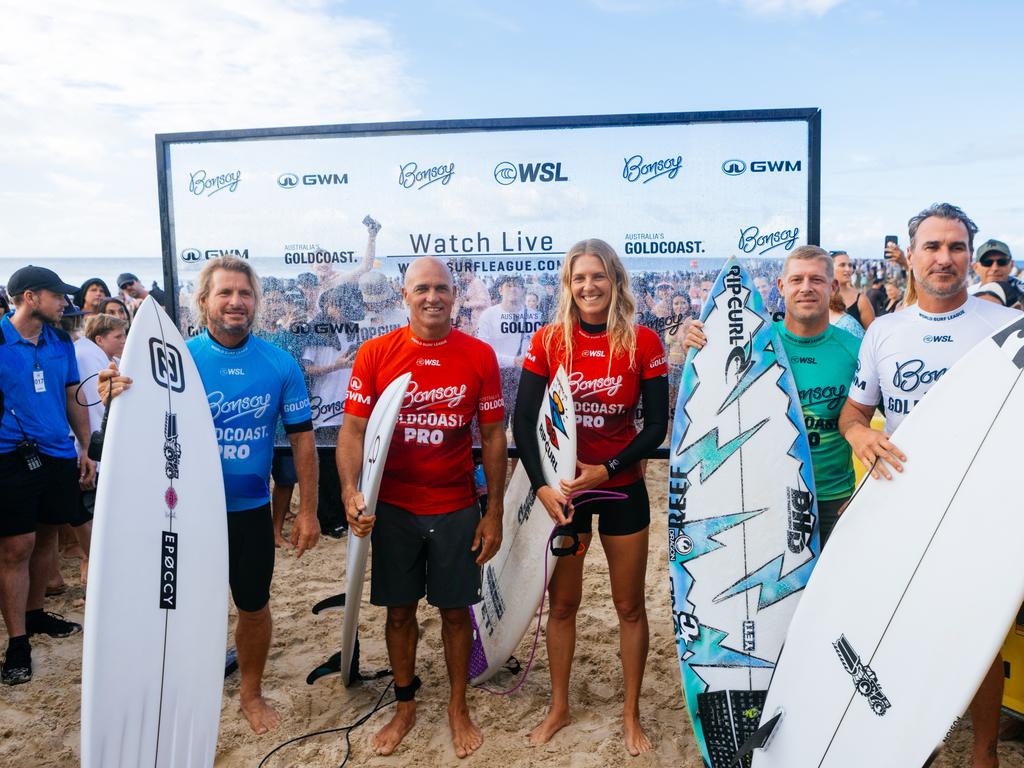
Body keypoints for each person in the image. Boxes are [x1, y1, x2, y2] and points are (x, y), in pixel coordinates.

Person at [100, 256, 320, 734]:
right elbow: (137, 417)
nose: (236, 302)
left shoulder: (278, 363)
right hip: (182, 513)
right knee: (173, 606)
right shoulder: (178, 359)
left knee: (253, 604)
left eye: (245, 294)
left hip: (249, 511)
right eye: (225, 293)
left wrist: (308, 511)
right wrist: (114, 392)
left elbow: (303, 439)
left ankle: (250, 693)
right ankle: (177, 686)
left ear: (256, 303)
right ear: (203, 302)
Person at [838, 202, 1016, 768]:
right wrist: (861, 436)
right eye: (933, 248)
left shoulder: (1007, 330)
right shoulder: (885, 331)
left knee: (980, 636)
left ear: (972, 256)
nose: (945, 258)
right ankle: (917, 745)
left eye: (957, 247)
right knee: (906, 634)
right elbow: (852, 413)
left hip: (981, 509)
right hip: (906, 508)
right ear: (909, 257)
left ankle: (983, 753)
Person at [338, 256, 507, 759]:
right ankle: (406, 705)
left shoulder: (477, 355)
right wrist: (351, 491)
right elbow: (353, 430)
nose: (432, 297)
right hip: (393, 508)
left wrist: (493, 511)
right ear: (404, 295)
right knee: (398, 613)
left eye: (441, 288)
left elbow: (494, 436)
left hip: (455, 505)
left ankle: (458, 706)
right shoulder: (375, 353)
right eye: (422, 289)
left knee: (456, 613)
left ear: (455, 295)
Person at [514, 239, 668, 756]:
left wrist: (607, 467)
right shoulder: (550, 341)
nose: (589, 286)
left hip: (621, 488)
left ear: (615, 281)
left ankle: (630, 713)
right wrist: (541, 486)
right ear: (568, 285)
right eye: (579, 278)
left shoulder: (643, 342)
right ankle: (559, 705)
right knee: (563, 605)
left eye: (598, 276)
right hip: (567, 496)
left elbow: (655, 428)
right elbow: (522, 421)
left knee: (628, 606)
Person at [684, 247, 861, 544]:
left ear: (832, 288)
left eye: (816, 280)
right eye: (797, 279)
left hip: (833, 499)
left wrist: (867, 492)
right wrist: (700, 344)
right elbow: (713, 402)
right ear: (781, 286)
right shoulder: (754, 344)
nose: (806, 288)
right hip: (766, 493)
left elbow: (890, 423)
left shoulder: (855, 349)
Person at [0, 266, 97, 685]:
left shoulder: (60, 340)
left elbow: (71, 395)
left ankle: (36, 614)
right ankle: (17, 640)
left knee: (48, 536)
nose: (64, 302)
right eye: (56, 295)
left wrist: (84, 447)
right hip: (10, 457)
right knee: (15, 547)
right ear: (28, 297)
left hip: (58, 453)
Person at [475, 275, 542, 430]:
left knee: (524, 429)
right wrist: (512, 361)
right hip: (497, 378)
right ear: (500, 290)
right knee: (496, 427)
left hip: (526, 377)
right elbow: (483, 351)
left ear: (524, 291)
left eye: (517, 285)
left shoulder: (535, 317)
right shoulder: (489, 315)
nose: (513, 289)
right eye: (508, 285)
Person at [832, 250, 875, 330]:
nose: (848, 269)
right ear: (830, 268)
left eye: (850, 265)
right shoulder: (822, 297)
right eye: (842, 265)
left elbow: (872, 334)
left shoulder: (861, 300)